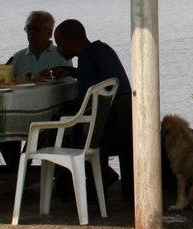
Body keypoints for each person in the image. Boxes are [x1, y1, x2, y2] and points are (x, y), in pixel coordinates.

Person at [51, 19, 133, 197]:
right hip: (126, 123)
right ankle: (105, 175)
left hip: (110, 128)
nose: (58, 49)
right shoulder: (102, 50)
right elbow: (103, 81)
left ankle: (77, 188)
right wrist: (72, 72)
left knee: (57, 132)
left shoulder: (86, 58)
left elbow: (88, 103)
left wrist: (64, 107)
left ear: (71, 43)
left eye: (60, 44)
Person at [8, 10, 66, 80]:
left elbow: (69, 85)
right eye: (29, 28)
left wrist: (51, 80)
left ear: (49, 33)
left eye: (36, 29)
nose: (31, 32)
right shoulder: (18, 57)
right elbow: (6, 81)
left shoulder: (62, 55)